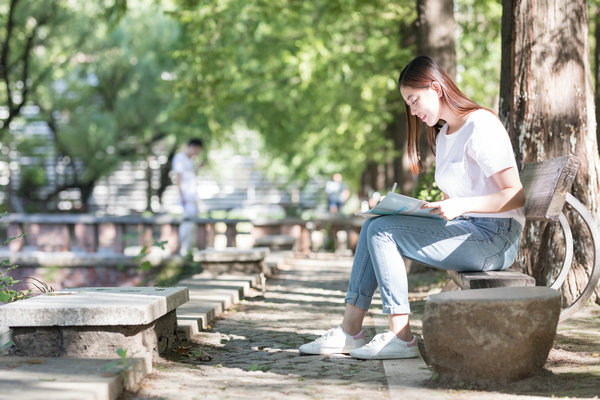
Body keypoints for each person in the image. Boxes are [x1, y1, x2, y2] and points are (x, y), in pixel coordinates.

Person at [298, 56, 526, 360]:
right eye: (408, 103)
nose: (413, 109)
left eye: (414, 99)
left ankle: (400, 336)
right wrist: (415, 209)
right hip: (469, 231)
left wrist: (461, 206)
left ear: (436, 88)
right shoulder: (444, 135)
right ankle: (350, 332)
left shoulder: (480, 125)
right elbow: (452, 202)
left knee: (381, 232)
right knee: (373, 225)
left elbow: (515, 195)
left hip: (496, 237)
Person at [172, 138, 204, 256]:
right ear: (192, 146)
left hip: (192, 196)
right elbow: (178, 177)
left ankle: (190, 250)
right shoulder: (180, 158)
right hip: (186, 197)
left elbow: (192, 177)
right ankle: (184, 251)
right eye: (197, 151)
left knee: (193, 225)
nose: (197, 154)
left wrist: (199, 168)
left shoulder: (189, 161)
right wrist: (181, 196)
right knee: (187, 224)